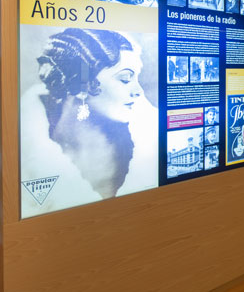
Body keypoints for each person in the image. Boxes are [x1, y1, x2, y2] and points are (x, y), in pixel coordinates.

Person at [20, 28, 158, 218]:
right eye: (125, 79)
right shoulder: (27, 146)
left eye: (137, 77)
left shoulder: (144, 144)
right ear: (82, 83)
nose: (138, 91)